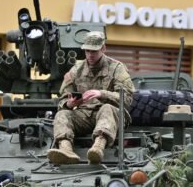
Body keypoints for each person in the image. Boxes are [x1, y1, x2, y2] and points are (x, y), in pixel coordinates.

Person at [47, 31, 135, 164]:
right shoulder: (76, 69)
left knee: (106, 108)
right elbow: (63, 99)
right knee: (62, 114)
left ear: (103, 48)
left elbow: (127, 99)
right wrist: (70, 104)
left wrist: (102, 94)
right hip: (84, 115)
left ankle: (98, 147)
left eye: (94, 51)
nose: (90, 55)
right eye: (87, 51)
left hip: (112, 117)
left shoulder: (117, 68)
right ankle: (66, 150)